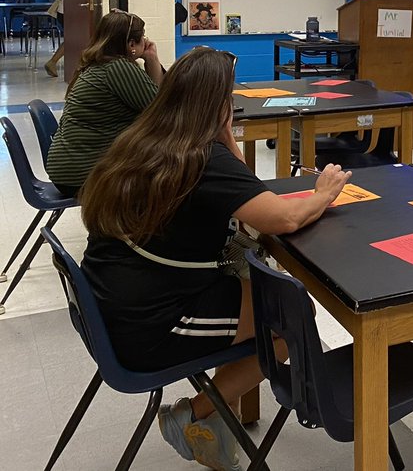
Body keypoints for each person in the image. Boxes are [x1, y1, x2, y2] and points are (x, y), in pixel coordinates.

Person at [80, 47, 351, 471]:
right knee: (289, 318)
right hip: (153, 324)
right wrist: (324, 193)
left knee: (269, 301)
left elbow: (240, 191)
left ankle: (215, 421)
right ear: (218, 105)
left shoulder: (146, 138)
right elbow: (280, 218)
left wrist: (225, 138)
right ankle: (198, 413)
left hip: (111, 301)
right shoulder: (202, 157)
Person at [44, 9, 165, 196]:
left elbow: (153, 100)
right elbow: (160, 110)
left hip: (66, 169)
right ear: (131, 44)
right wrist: (152, 58)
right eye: (143, 37)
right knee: (169, 176)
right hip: (83, 175)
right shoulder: (118, 68)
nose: (146, 40)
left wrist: (150, 58)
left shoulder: (97, 63)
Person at [43, 0, 64, 77]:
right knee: (73, 39)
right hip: (66, 10)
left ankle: (52, 62)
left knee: (73, 39)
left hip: (62, 10)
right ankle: (52, 61)